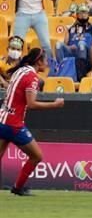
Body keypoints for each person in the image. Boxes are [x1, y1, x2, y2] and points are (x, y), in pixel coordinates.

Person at [0, 48, 65, 196]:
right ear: (38, 61)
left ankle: (17, 188)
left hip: (2, 119)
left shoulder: (19, 71)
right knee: (37, 156)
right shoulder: (32, 77)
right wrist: (55, 105)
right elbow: (31, 104)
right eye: (45, 60)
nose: (47, 63)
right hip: (13, 125)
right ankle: (17, 187)